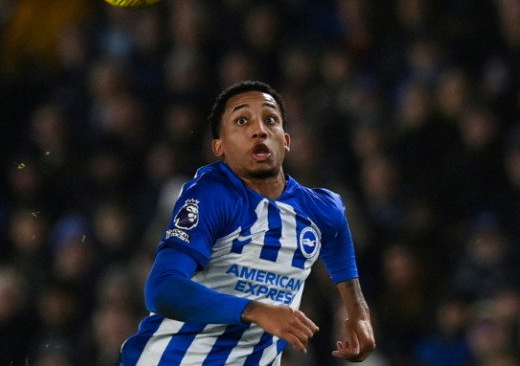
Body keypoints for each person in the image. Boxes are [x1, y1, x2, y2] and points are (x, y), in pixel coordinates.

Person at [120, 80, 375, 365]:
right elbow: (162, 289)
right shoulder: (212, 195)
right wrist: (255, 310)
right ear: (220, 146)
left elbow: (337, 231)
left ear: (286, 140)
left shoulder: (320, 208)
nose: (259, 130)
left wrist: (357, 311)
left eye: (270, 120)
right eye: (242, 121)